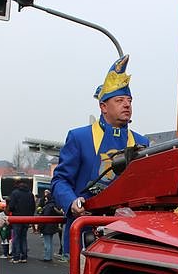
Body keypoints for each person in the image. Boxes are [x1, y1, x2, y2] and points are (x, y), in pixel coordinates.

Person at [49, 55, 149, 254]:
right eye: (120, 100)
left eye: (129, 100)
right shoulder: (79, 137)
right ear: (103, 107)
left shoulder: (141, 142)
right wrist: (71, 202)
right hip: (86, 229)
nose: (127, 105)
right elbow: (60, 180)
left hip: (126, 234)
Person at [9, 181, 36, 263]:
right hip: (27, 218)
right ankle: (24, 257)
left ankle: (16, 257)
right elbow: (33, 207)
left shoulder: (15, 193)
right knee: (23, 237)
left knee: (16, 237)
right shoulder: (30, 194)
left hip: (17, 217)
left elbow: (11, 206)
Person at [40, 197, 63, 262]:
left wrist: (41, 226)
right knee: (49, 242)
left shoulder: (48, 206)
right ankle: (49, 256)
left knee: (47, 243)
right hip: (52, 226)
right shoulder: (55, 206)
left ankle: (47, 257)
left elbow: (45, 216)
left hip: (46, 226)